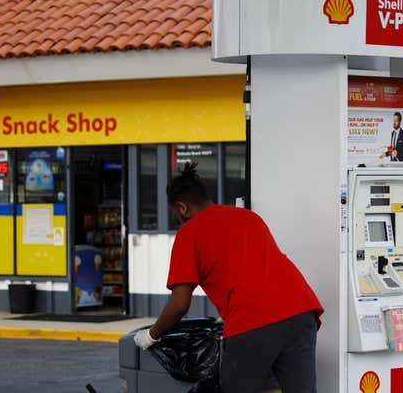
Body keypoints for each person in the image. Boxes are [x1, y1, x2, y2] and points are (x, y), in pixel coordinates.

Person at [134, 163, 323, 393]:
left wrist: (152, 335)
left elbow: (179, 304)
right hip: (302, 311)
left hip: (254, 321)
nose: (178, 221)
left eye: (176, 216)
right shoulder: (247, 217)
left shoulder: (190, 233)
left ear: (182, 208)